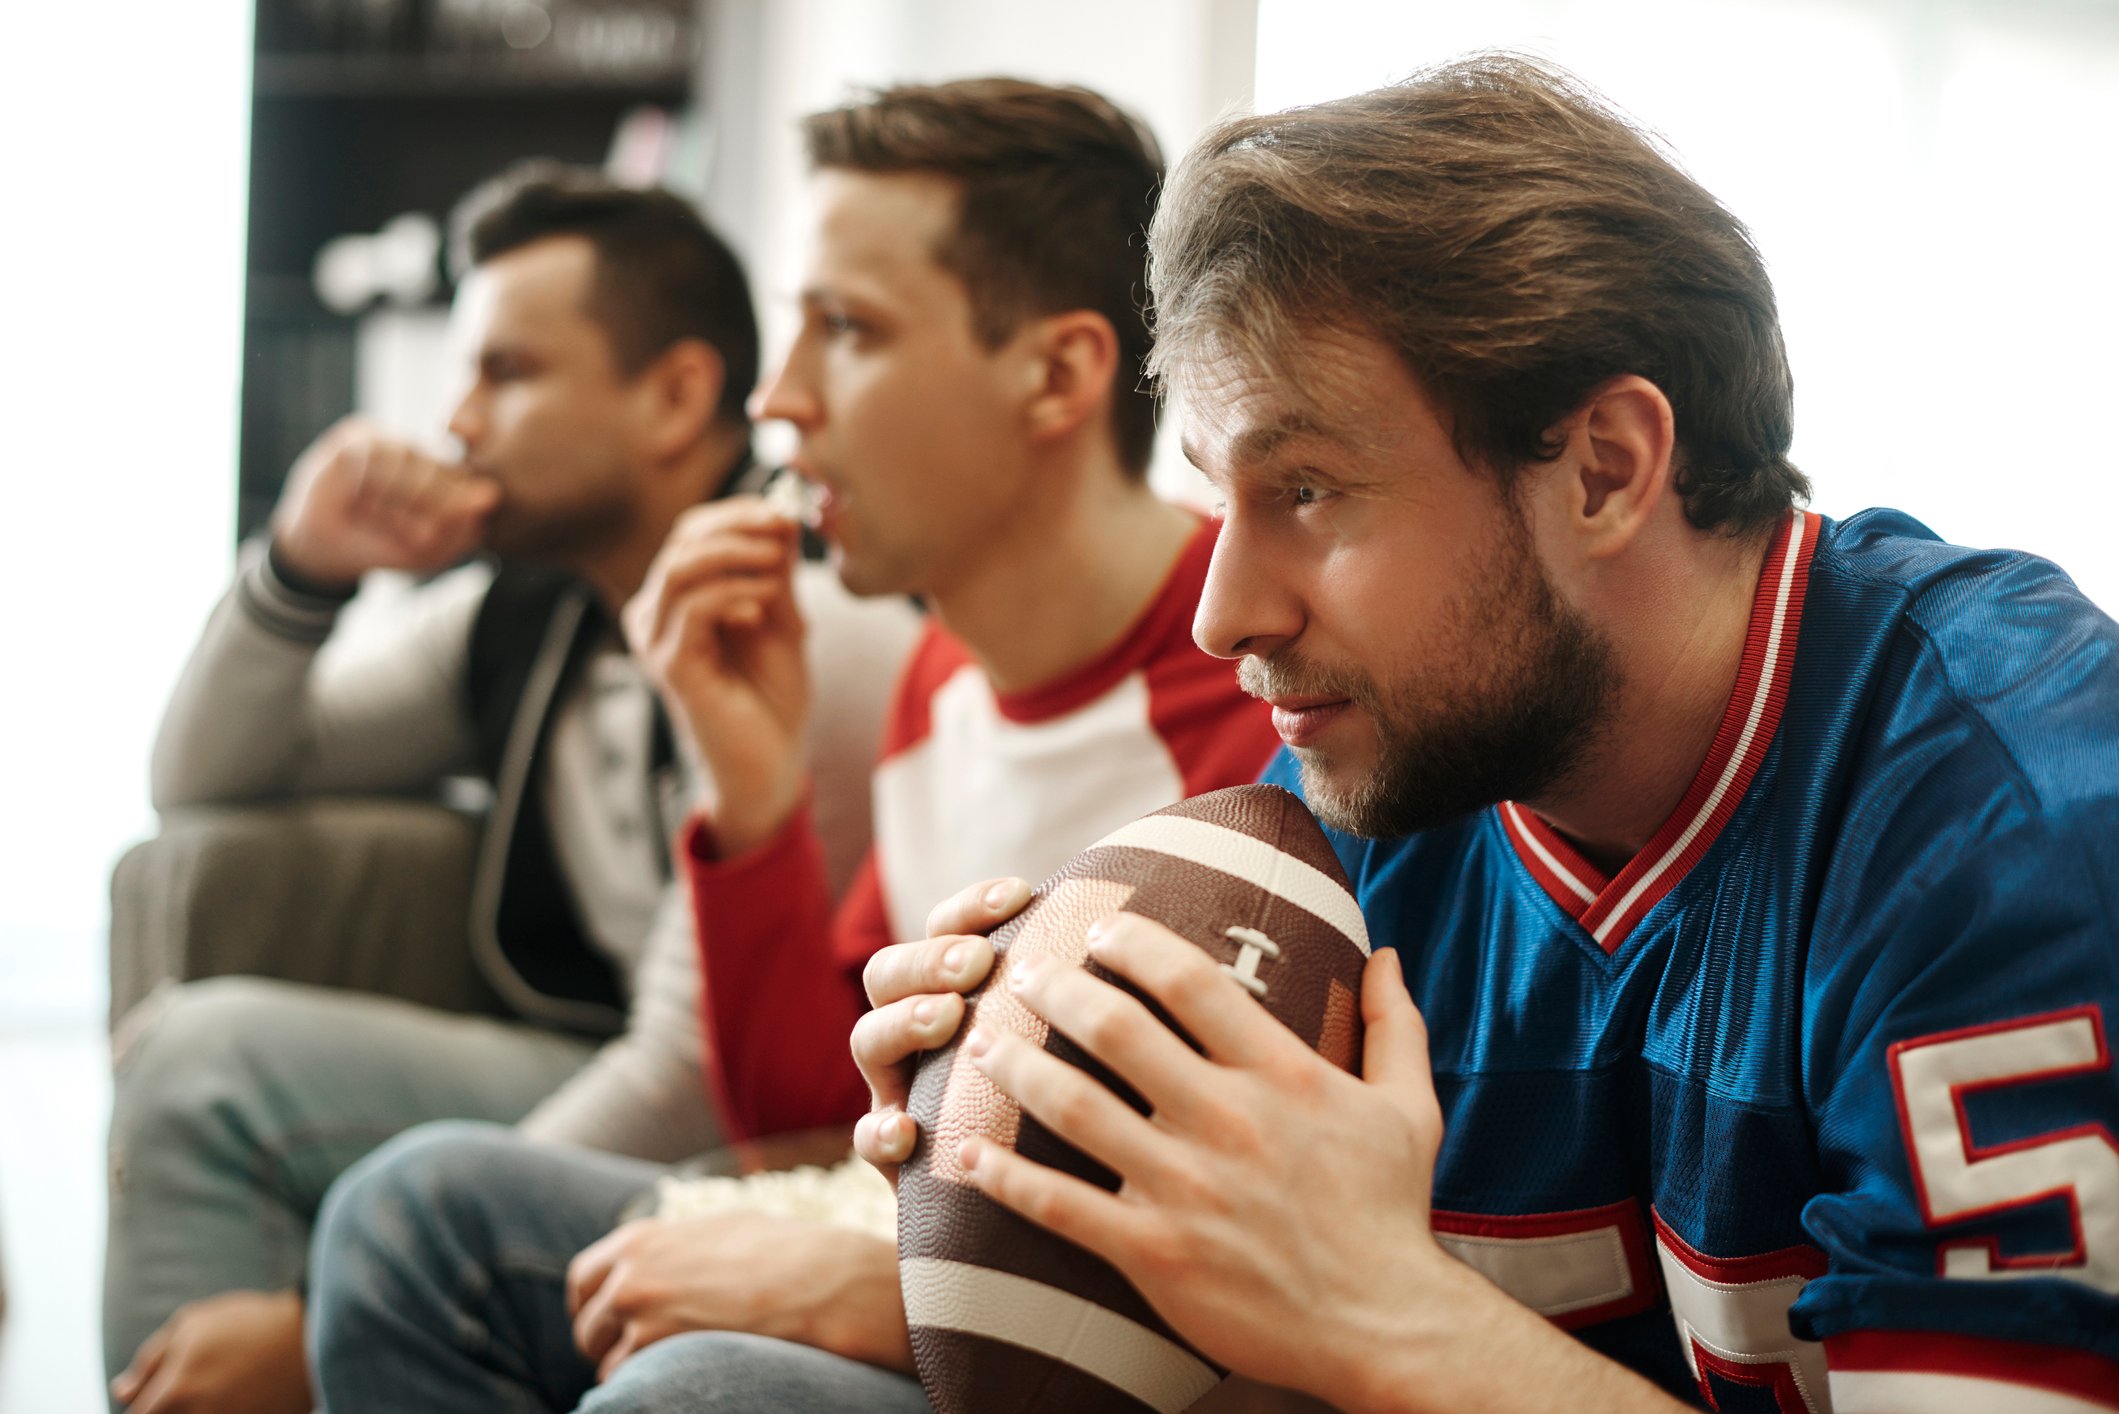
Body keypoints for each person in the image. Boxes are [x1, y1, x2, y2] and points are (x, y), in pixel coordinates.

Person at [853, 55, 2119, 1413]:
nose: (1221, 612)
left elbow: (1378, 1330)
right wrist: (1017, 1193)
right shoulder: (1392, 781)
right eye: (1220, 495)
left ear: (1602, 470)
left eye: (1307, 487)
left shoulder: (2004, 808)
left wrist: (1381, 1311)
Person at [304, 78, 1282, 1413]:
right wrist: (752, 796)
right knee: (413, 1206)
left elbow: (1228, 1286)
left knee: (684, 1390)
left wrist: (856, 1285)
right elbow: (806, 1122)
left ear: (1055, 373)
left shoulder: (1256, 716)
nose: (777, 398)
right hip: (909, 1245)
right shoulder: (939, 672)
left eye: (847, 329)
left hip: (1088, 1351)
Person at [106, 165, 919, 1414]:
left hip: (753, 1109)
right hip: (587, 1045)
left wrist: (307, 1317)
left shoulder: (793, 616)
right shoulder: (526, 610)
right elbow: (206, 780)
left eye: (505, 373)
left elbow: (704, 1069)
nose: (458, 421)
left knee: (273, 1118)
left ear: (677, 396)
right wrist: (304, 566)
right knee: (193, 1053)